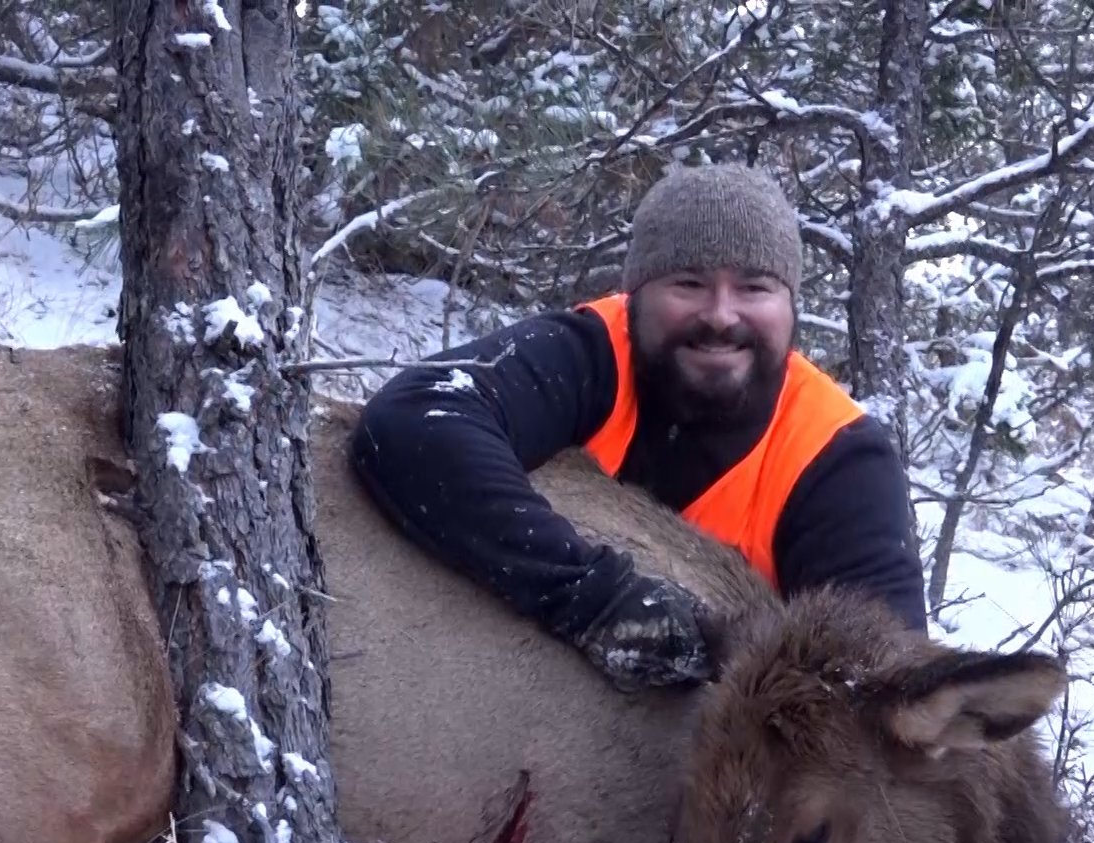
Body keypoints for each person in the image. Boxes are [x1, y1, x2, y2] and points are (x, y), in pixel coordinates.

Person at [348, 162, 928, 692]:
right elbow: (416, 418)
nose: (721, 316)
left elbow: (884, 694)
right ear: (635, 296)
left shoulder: (839, 457)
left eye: (755, 287)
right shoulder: (594, 354)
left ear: (791, 305)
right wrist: (596, 599)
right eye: (688, 283)